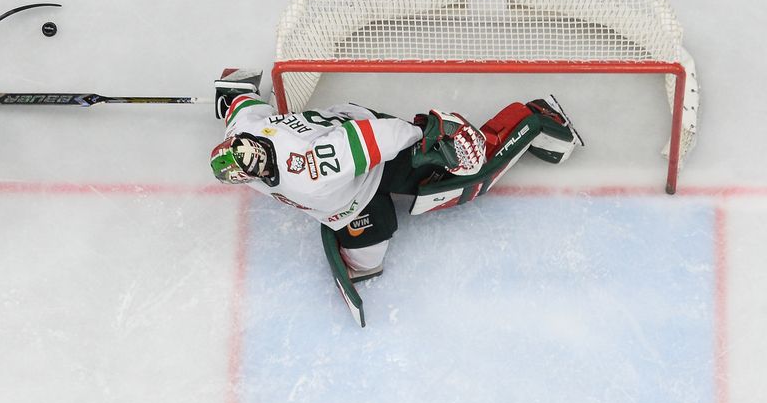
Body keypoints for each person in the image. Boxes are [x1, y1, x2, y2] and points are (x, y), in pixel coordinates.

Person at [210, 77, 581, 282]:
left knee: (465, 181)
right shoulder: (243, 130)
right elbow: (241, 103)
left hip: (373, 155)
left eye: (252, 158)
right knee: (365, 265)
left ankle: (535, 118)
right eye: (248, 169)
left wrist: (429, 141)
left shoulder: (311, 168)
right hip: (346, 189)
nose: (255, 166)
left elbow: (376, 138)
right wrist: (233, 90)